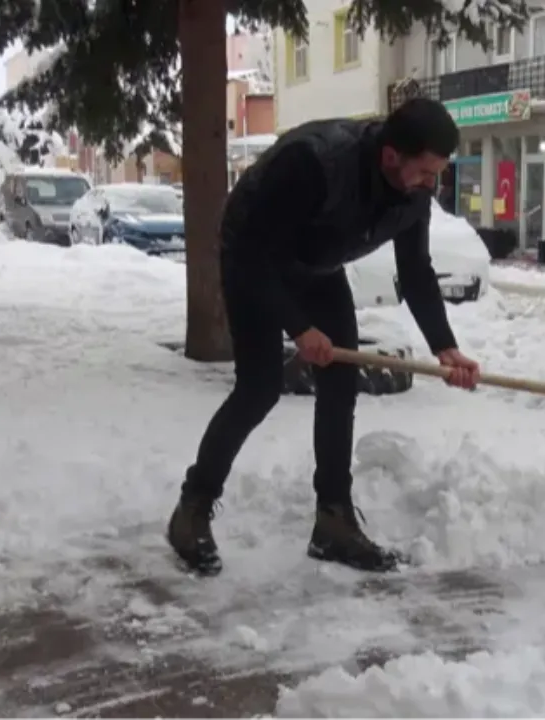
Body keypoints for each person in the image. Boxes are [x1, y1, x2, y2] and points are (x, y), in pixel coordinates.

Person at [167, 98, 481, 577]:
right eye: (423, 171)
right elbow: (255, 252)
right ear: (391, 155)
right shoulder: (314, 163)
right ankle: (192, 508)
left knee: (339, 382)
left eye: (436, 173)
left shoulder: (414, 194)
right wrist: (300, 327)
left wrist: (445, 346)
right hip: (254, 257)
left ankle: (333, 521)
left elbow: (415, 271)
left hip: (317, 263)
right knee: (259, 388)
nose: (429, 184)